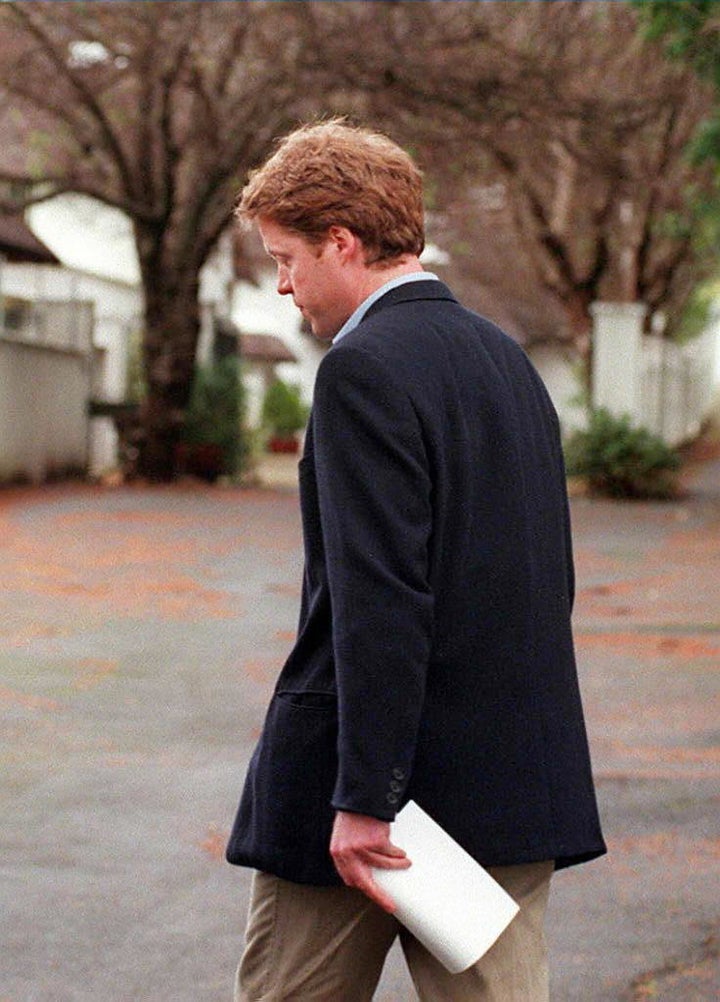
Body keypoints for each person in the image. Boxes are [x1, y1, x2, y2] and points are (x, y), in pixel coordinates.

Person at [226, 119, 606, 1002]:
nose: (284, 286)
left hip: (366, 812)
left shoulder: (363, 368)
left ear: (342, 243)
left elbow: (381, 599)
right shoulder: (508, 363)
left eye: (286, 259)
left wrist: (366, 796)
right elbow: (548, 584)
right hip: (508, 786)